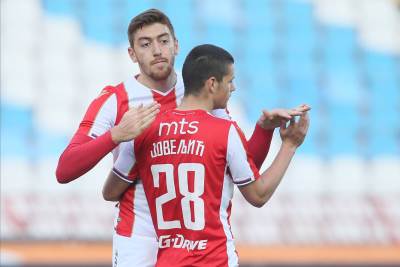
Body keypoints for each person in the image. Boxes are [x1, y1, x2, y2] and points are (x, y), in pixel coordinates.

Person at [56, 9, 309, 267]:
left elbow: (236, 167)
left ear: (176, 45)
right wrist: (115, 135)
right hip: (139, 238)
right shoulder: (115, 100)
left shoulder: (201, 92)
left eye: (163, 41)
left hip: (191, 241)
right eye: (145, 44)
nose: (157, 50)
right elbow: (65, 169)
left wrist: (263, 131)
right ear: (132, 54)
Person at [104, 44, 310, 266]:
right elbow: (257, 195)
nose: (234, 87)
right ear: (212, 84)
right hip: (215, 260)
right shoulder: (225, 131)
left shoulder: (145, 129)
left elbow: (110, 192)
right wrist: (290, 144)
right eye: (230, 80)